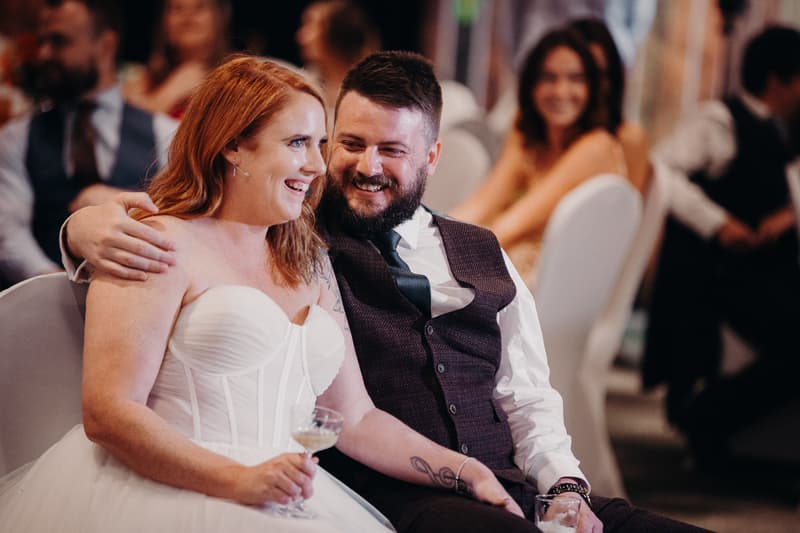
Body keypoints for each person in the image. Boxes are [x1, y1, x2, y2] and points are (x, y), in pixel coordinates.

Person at [60, 51, 711, 533]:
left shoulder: (315, 251)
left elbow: (518, 397)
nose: (346, 165)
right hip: (355, 495)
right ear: (235, 147)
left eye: (390, 149)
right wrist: (81, 223)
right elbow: (137, 227)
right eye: (337, 143)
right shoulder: (301, 237)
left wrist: (546, 484)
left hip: (496, 485)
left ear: (431, 158)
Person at [0, 54, 523, 532]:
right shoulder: (154, 241)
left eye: (320, 144)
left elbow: (357, 419)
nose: (319, 166)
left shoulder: (309, 258)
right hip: (172, 494)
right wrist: (235, 480)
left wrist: (465, 470)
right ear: (232, 145)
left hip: (288, 496)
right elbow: (110, 413)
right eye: (297, 143)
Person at [641, 25, 800, 468]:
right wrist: (718, 223)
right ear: (777, 81)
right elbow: (660, 171)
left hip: (770, 273)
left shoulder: (781, 131)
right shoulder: (719, 120)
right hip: (727, 278)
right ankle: (706, 417)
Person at [0, 0, 176, 288]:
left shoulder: (166, 133)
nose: (44, 54)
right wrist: (55, 287)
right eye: (42, 41)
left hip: (137, 298)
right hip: (42, 306)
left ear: (105, 44)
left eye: (59, 41)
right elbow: (8, 232)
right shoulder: (15, 138)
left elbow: (183, 219)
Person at [450, 28, 639, 287]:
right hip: (512, 259)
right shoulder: (527, 135)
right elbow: (484, 202)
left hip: (560, 285)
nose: (561, 91)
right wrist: (431, 229)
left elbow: (513, 225)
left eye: (576, 79)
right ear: (531, 85)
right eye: (548, 78)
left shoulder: (597, 146)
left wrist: (448, 255)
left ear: (592, 87)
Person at [568, 17, 650, 191]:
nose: (590, 86)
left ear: (612, 79)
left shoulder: (625, 139)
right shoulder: (536, 135)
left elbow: (628, 212)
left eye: (599, 74)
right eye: (577, 75)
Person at [123, 0, 230, 119]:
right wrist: (169, 94)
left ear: (220, 16)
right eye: (177, 8)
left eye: (199, 7)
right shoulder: (142, 80)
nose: (187, 17)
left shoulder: (237, 80)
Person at [296, 0, 380, 112]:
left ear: (338, 33)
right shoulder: (305, 83)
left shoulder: (373, 87)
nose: (301, 37)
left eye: (311, 25)